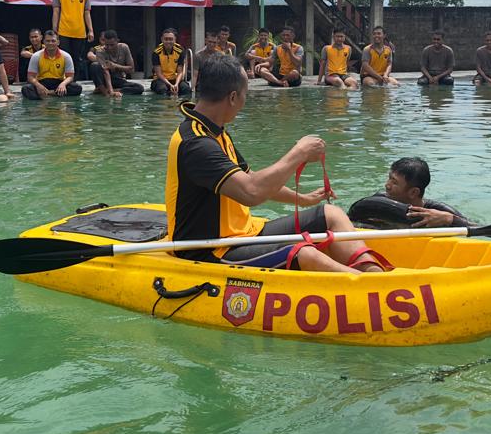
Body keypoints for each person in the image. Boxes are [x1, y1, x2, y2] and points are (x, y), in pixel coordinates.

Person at [165, 53, 390, 272]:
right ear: (233, 97)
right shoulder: (196, 143)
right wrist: (299, 153)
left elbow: (251, 178)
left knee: (331, 214)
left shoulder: (214, 130)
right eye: (245, 94)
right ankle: (368, 290)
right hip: (212, 249)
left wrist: (302, 199)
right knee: (304, 253)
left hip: (244, 234)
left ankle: (371, 272)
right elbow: (250, 192)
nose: (245, 101)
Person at [349, 157, 477, 228]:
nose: (387, 185)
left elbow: (485, 231)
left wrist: (450, 220)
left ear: (413, 192)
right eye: (389, 178)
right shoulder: (377, 202)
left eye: (394, 182)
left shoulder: (440, 213)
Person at [53, 0, 93, 79]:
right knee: (64, 57)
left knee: (77, 59)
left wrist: (90, 30)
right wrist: (54, 29)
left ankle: (74, 82)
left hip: (80, 32)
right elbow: (55, 12)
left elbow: (87, 13)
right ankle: (62, 80)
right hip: (63, 31)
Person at [22, 30, 81, 99]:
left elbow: (70, 77)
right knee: (26, 89)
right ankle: (55, 94)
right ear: (44, 42)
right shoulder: (36, 56)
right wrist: (38, 86)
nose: (50, 43)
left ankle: (47, 94)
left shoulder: (66, 56)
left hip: (58, 82)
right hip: (41, 82)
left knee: (77, 88)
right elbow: (30, 77)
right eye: (48, 41)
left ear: (58, 42)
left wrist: (63, 84)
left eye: (53, 41)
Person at [87, 29, 143, 98]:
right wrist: (111, 92)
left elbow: (131, 69)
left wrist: (115, 66)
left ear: (117, 41)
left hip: (117, 79)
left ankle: (112, 91)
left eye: (112, 45)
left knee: (139, 88)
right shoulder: (100, 51)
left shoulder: (124, 47)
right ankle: (104, 91)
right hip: (104, 80)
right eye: (107, 45)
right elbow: (105, 72)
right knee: (94, 66)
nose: (109, 47)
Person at [151, 28, 191, 97]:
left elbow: (180, 71)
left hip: (175, 79)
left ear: (175, 40)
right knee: (162, 89)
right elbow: (159, 73)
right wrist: (170, 85)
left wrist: (176, 84)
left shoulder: (180, 51)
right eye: (166, 39)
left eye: (171, 39)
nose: (168, 41)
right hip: (161, 80)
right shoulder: (156, 52)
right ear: (162, 39)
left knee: (186, 89)